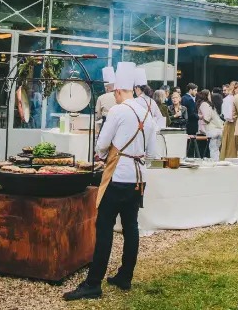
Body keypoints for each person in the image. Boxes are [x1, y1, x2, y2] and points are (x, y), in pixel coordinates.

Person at [64, 62, 159, 301]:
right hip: (138, 180)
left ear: (118, 91)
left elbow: (101, 145)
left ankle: (93, 283)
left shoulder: (118, 110)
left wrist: (109, 156)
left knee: (104, 227)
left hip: (117, 178)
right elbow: (152, 156)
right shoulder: (148, 114)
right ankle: (125, 276)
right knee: (131, 227)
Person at [198, 89, 223, 157]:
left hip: (212, 130)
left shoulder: (205, 105)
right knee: (217, 149)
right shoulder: (216, 108)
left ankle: (214, 164)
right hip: (220, 130)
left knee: (213, 149)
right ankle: (217, 163)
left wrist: (200, 116)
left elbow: (207, 119)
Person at [219, 81, 238, 160]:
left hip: (234, 123)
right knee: (230, 146)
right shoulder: (228, 99)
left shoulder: (234, 98)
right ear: (234, 89)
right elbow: (228, 115)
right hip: (231, 124)